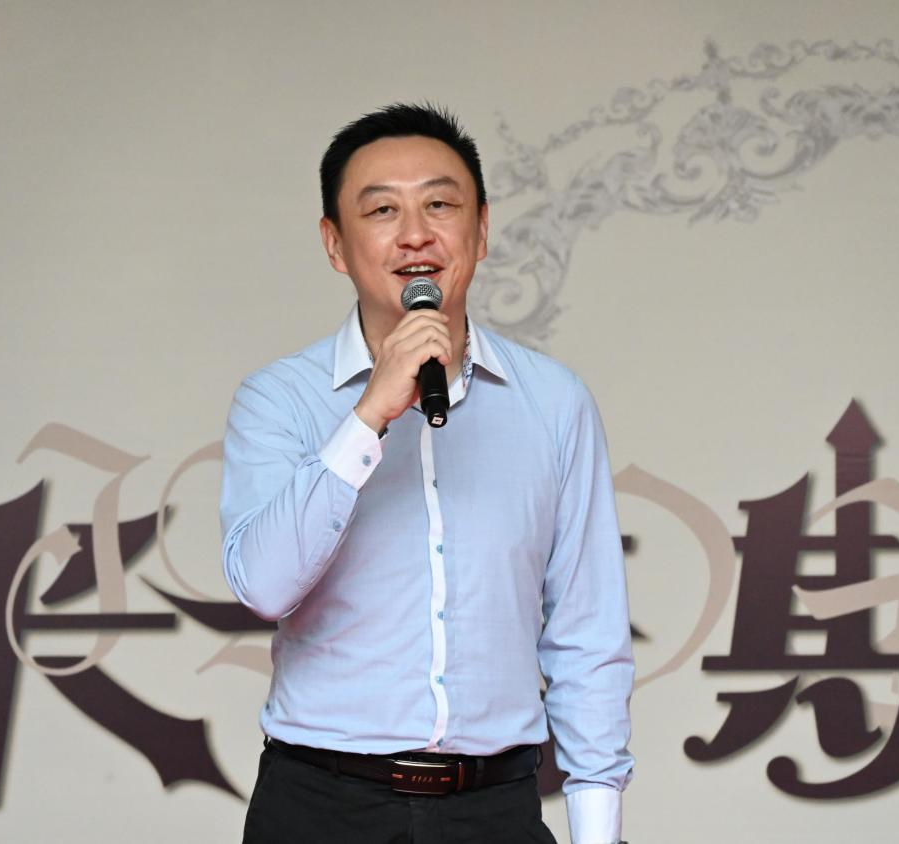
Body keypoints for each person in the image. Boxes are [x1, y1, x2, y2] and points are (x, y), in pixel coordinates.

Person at [220, 103, 633, 844]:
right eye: (382, 210)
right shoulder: (279, 398)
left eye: (440, 205)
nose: (415, 233)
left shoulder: (553, 402)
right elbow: (264, 585)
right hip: (321, 806)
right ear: (335, 244)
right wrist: (369, 414)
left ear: (482, 229)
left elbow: (587, 631)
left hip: (494, 808)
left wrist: (597, 834)